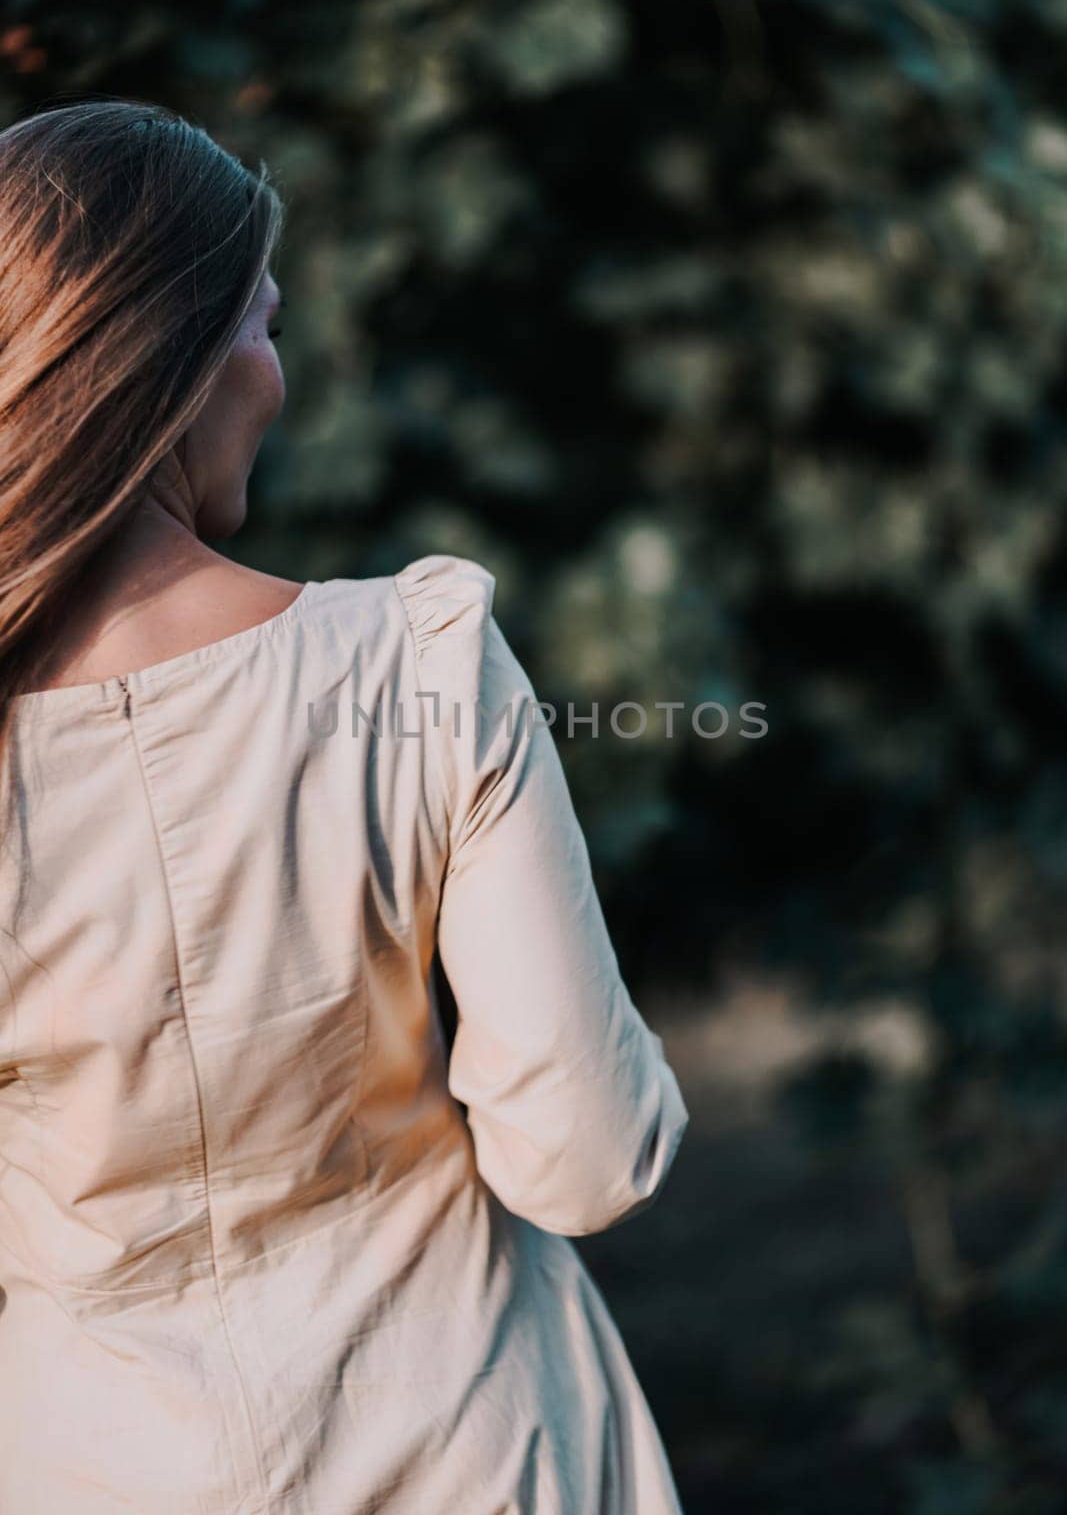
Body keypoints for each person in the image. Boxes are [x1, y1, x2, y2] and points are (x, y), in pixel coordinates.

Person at [0, 97, 690, 1514]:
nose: (277, 373)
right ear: (169, 365)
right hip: (478, 1444)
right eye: (260, 325)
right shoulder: (419, 660)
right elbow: (584, 1157)